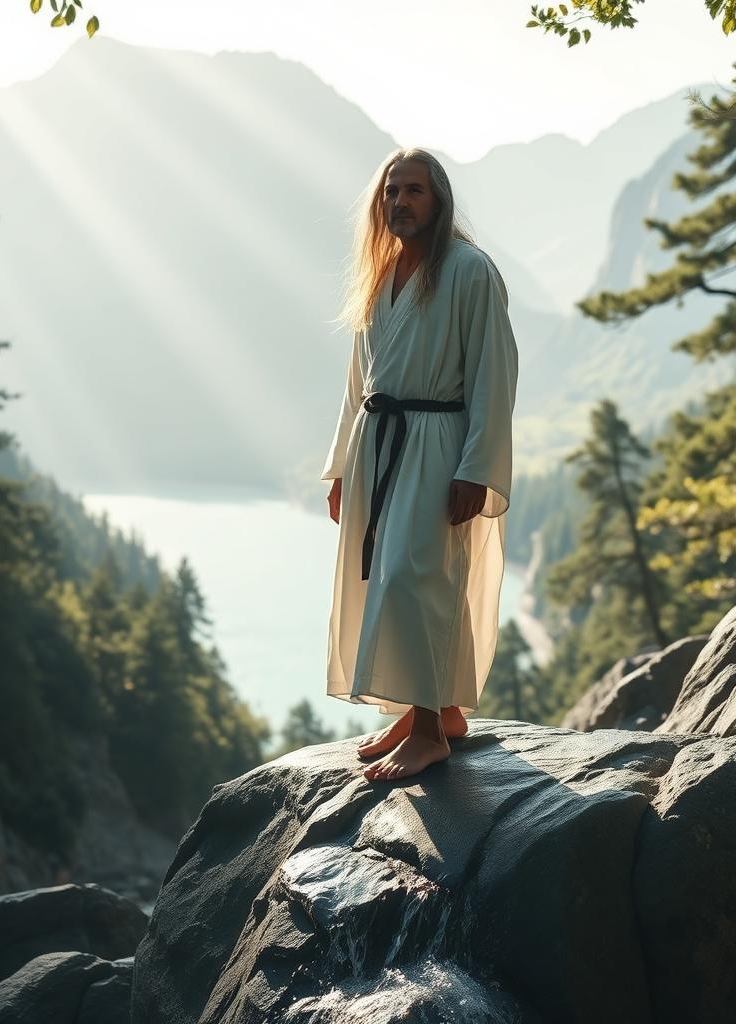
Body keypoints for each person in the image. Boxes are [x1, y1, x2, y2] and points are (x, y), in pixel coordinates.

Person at [321, 147, 518, 782]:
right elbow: (358, 382)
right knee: (388, 579)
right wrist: (341, 470)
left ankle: (432, 733)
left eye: (413, 192)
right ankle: (435, 709)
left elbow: (494, 374)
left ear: (438, 201)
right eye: (390, 191)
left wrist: (476, 467)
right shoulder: (379, 275)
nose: (399, 202)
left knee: (419, 576)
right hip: (378, 443)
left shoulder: (468, 271)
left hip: (437, 441)